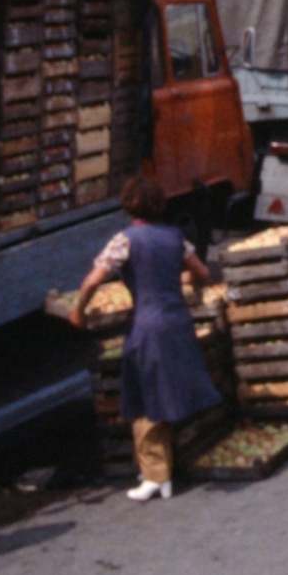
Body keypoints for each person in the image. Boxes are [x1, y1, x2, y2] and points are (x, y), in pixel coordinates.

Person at [68, 175, 224, 500]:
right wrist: (177, 277)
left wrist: (78, 311)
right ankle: (160, 471)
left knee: (143, 398)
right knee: (165, 391)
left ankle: (155, 477)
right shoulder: (175, 237)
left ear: (129, 206)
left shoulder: (124, 240)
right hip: (178, 322)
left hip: (148, 326)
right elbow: (203, 273)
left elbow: (92, 281)